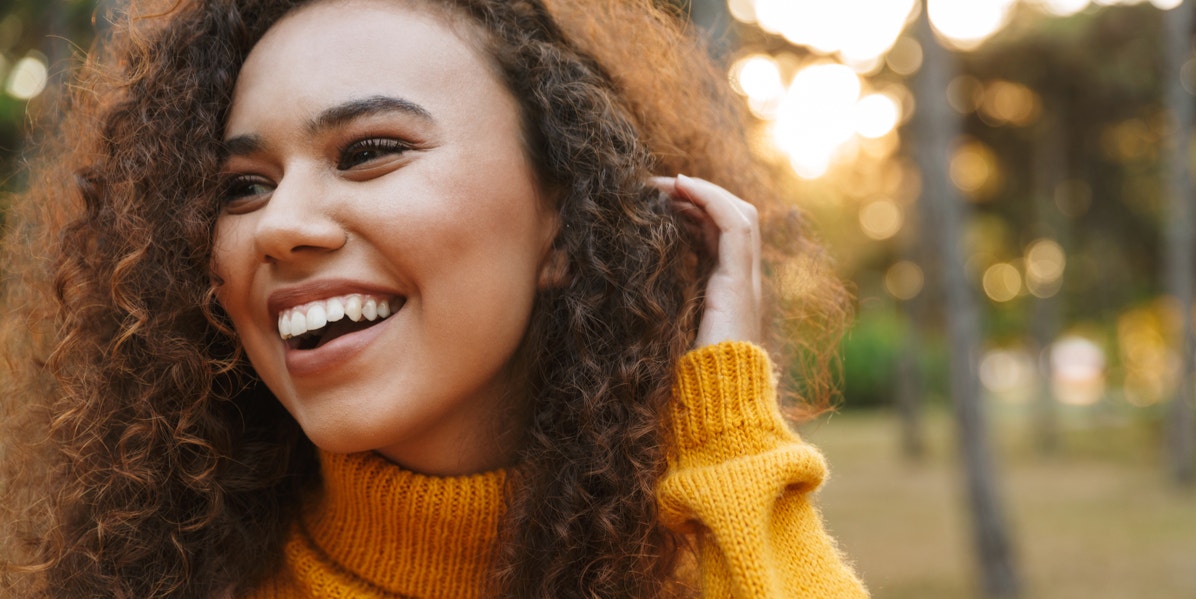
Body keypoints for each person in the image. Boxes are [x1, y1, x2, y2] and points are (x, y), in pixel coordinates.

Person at [0, 0, 867, 597]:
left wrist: (731, 439)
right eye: (241, 187)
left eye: (369, 149)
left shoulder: (717, 567)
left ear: (564, 224)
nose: (279, 225)